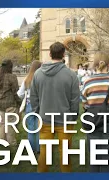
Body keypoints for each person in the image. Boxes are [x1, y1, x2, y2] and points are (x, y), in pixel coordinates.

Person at [30, 42, 80, 172]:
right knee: (65, 155)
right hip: (63, 121)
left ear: (50, 54)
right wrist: (73, 117)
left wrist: (38, 112)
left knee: (44, 154)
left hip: (47, 119)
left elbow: (33, 98)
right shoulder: (71, 75)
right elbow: (75, 100)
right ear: (63, 54)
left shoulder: (38, 74)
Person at [81, 52, 109, 172]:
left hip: (93, 122)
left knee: (94, 160)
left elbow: (84, 103)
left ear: (94, 64)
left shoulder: (88, 82)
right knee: (106, 161)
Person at [17, 60, 42, 154]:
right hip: (41, 104)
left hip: (30, 104)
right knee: (40, 127)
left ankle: (31, 148)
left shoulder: (27, 79)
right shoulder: (43, 79)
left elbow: (20, 94)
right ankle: (39, 148)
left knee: (31, 128)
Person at [0, 60, 22, 146]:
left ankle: (2, 141)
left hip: (0, 102)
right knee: (10, 124)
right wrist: (19, 102)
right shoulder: (12, 77)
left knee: (2, 124)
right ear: (10, 67)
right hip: (10, 103)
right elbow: (16, 92)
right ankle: (12, 143)